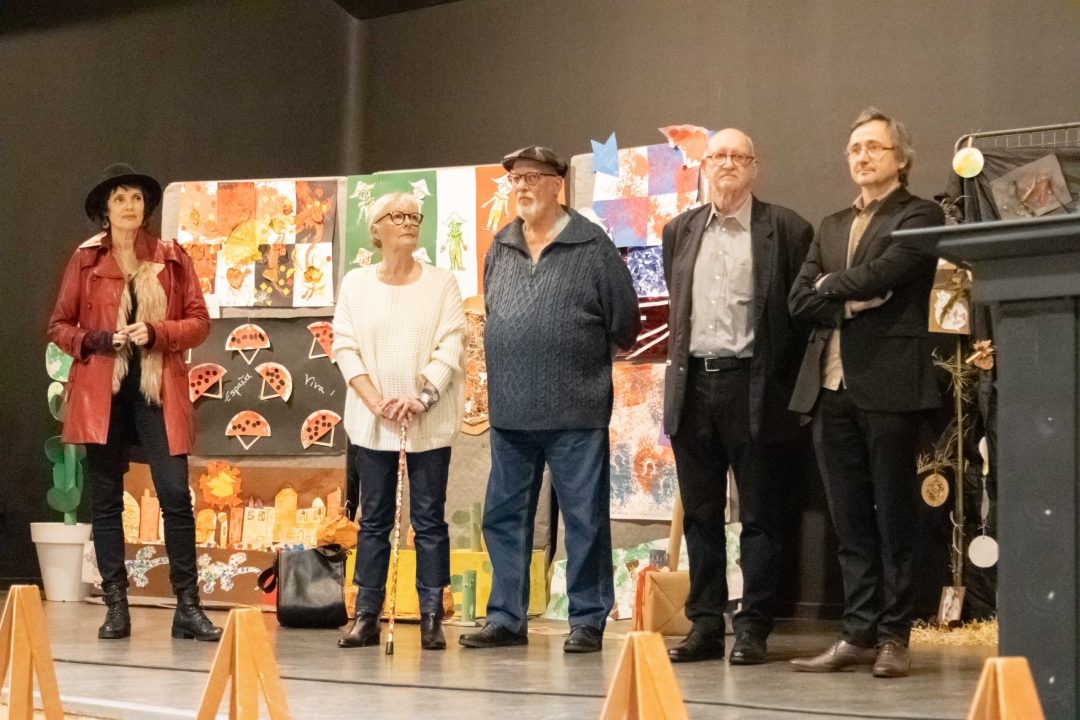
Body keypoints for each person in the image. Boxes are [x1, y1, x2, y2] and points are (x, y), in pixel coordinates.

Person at [459, 146, 640, 653]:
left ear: (557, 184)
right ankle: (506, 617)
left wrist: (576, 361)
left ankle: (587, 619)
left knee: (584, 519)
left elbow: (625, 325)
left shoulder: (592, 245)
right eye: (515, 179)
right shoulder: (501, 246)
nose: (521, 186)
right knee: (503, 518)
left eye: (532, 177)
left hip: (576, 409)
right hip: (512, 412)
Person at [788, 108, 943, 678]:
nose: (861, 157)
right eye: (854, 148)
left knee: (895, 517)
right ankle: (856, 634)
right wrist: (847, 302)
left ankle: (894, 637)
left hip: (889, 384)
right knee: (849, 521)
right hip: (830, 388)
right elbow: (798, 300)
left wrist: (830, 284)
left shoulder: (919, 214)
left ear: (900, 158)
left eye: (874, 147)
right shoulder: (830, 225)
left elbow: (886, 273)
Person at [48, 163, 221, 642]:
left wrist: (158, 331)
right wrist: (98, 339)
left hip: (156, 389)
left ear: (146, 208)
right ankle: (116, 607)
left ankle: (188, 607)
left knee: (174, 495)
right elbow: (59, 326)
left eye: (137, 198)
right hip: (102, 394)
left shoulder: (172, 257)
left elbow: (199, 322)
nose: (129, 206)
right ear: (105, 210)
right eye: (120, 198)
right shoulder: (85, 261)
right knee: (105, 501)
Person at [661, 129, 813, 665]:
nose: (727, 164)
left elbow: (801, 316)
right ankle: (704, 624)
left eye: (738, 156)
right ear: (704, 166)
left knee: (761, 516)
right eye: (718, 156)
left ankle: (753, 627)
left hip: (755, 385)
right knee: (701, 515)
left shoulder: (786, 229)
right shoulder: (679, 230)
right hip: (692, 388)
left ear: (754, 167)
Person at [333, 191, 465, 651]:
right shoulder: (356, 284)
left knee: (428, 520)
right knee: (373, 520)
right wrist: (374, 399)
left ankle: (431, 616)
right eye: (397, 216)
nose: (409, 222)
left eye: (414, 216)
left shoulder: (442, 283)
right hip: (373, 423)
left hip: (426, 420)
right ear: (376, 229)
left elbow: (452, 343)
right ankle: (366, 615)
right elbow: (344, 345)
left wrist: (423, 396)